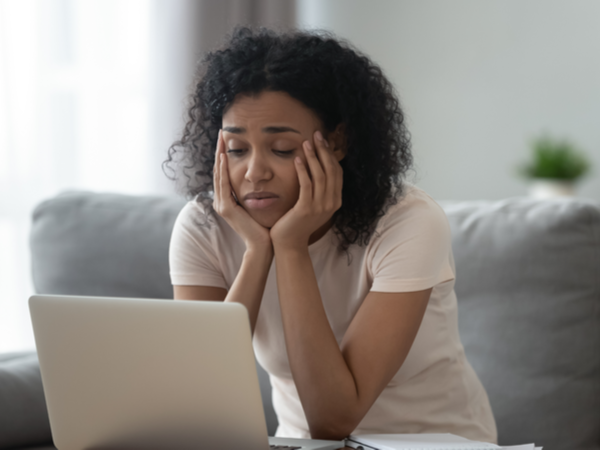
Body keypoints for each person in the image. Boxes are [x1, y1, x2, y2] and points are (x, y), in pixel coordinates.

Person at [165, 27, 497, 443]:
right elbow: (193, 395)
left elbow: (335, 419)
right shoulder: (203, 226)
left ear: (336, 141)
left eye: (281, 148)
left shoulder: (407, 221)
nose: (253, 172)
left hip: (433, 441)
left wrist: (290, 247)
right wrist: (255, 252)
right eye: (236, 150)